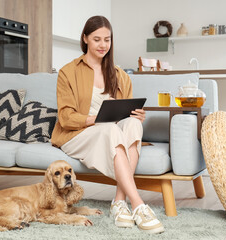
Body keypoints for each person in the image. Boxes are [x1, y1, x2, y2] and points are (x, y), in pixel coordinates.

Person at [51, 16, 164, 234]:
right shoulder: (68, 72)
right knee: (111, 128)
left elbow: (123, 116)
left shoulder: (121, 75)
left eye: (107, 39)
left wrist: (134, 115)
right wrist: (96, 119)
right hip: (78, 133)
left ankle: (119, 202)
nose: (103, 45)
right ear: (85, 39)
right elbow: (65, 117)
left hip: (110, 132)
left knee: (132, 125)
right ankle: (138, 204)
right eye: (97, 39)